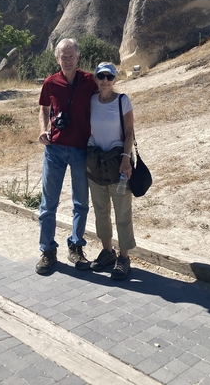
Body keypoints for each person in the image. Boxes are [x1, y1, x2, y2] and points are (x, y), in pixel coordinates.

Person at [36, 38, 98, 275]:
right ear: (57, 59)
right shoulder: (51, 82)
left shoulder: (89, 81)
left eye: (71, 55)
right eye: (64, 56)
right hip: (55, 149)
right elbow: (43, 108)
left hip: (82, 149)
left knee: (81, 202)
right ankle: (47, 250)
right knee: (47, 204)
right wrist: (43, 129)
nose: (68, 60)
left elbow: (105, 99)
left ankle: (76, 246)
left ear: (78, 57)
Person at [86, 62, 136, 280]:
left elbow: (129, 131)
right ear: (96, 79)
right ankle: (108, 252)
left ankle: (124, 258)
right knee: (101, 211)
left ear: (115, 79)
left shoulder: (122, 101)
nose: (105, 80)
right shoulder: (91, 101)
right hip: (97, 163)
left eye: (109, 76)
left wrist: (126, 159)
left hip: (118, 163)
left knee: (122, 213)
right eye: (101, 76)